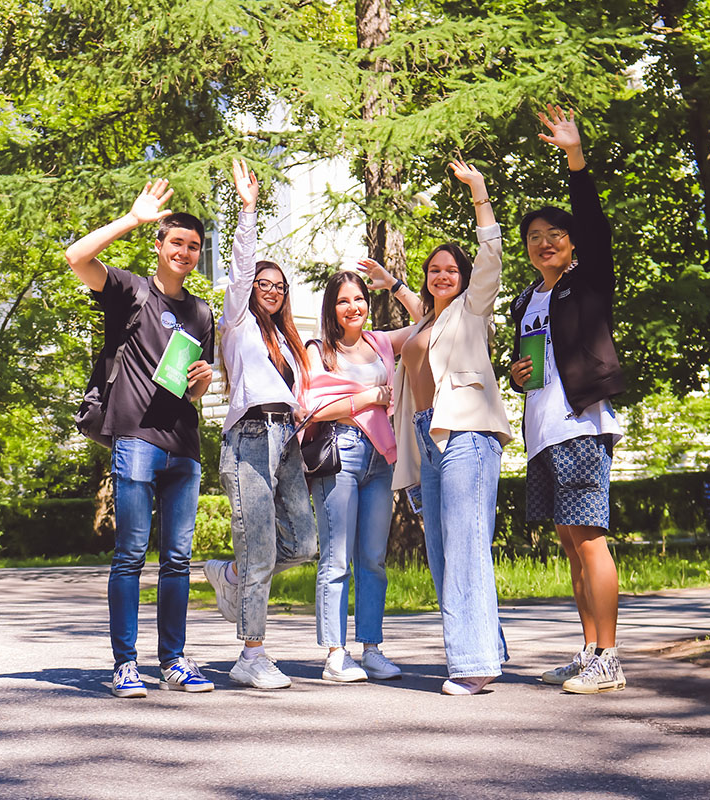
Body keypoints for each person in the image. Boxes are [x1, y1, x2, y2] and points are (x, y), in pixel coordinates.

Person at [64, 179, 216, 698]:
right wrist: (133, 217)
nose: (186, 253)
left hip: (184, 446)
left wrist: (203, 383)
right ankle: (125, 664)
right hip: (135, 437)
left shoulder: (200, 313)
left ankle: (174, 661)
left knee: (177, 559)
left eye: (194, 246)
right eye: (177, 243)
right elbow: (75, 256)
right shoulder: (130, 291)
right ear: (160, 245)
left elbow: (193, 385)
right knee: (130, 553)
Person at [508, 105, 627, 694]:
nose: (543, 243)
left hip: (581, 424)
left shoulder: (589, 278)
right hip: (542, 431)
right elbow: (530, 368)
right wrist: (516, 371)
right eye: (533, 237)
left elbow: (594, 220)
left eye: (554, 235)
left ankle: (610, 655)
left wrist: (575, 159)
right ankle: (588, 651)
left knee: (590, 538)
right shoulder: (527, 299)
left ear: (572, 244)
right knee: (569, 544)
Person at [392, 160, 511, 695]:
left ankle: (474, 664)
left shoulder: (472, 308)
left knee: (464, 545)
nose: (443, 275)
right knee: (443, 552)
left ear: (464, 280)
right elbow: (412, 334)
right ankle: (487, 645)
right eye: (434, 269)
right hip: (427, 438)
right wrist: (391, 285)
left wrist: (479, 192)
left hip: (466, 434)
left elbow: (491, 256)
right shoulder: (425, 323)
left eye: (452, 270)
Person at [204, 158, 318, 689]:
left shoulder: (288, 342)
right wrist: (248, 209)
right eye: (263, 283)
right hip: (249, 435)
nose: (270, 288)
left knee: (302, 544)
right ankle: (251, 654)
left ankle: (228, 575)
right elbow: (242, 266)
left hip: (286, 440)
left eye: (279, 285)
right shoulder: (236, 321)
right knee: (261, 549)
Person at [301, 265, 423, 682]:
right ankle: (336, 653)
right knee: (336, 558)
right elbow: (313, 410)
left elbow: (431, 317)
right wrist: (368, 397)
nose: (353, 307)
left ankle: (371, 648)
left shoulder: (382, 343)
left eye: (358, 299)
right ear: (331, 308)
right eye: (343, 301)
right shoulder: (318, 350)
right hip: (340, 452)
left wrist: (394, 284)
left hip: (379, 456)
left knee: (372, 559)